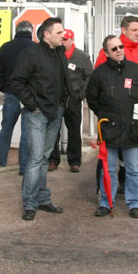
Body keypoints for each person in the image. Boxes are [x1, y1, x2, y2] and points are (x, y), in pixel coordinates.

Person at [9, 17, 71, 221]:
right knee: (35, 159)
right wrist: (32, 105)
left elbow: (63, 81)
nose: (64, 35)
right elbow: (17, 82)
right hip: (37, 114)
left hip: (55, 112)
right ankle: (30, 203)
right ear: (47, 34)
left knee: (44, 157)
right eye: (60, 32)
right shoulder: (31, 54)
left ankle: (43, 199)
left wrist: (64, 102)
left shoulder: (60, 53)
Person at [86, 35, 138, 218]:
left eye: (120, 46)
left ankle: (134, 203)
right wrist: (105, 115)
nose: (119, 50)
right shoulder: (100, 73)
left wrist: (137, 114)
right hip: (109, 128)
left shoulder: (135, 70)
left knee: (133, 169)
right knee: (108, 168)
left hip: (131, 128)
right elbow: (92, 98)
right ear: (106, 53)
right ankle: (106, 202)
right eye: (114, 48)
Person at [95, 16, 138, 191]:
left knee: (136, 153)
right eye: (134, 30)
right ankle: (103, 191)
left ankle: (135, 186)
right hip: (113, 115)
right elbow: (96, 84)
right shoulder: (108, 52)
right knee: (108, 154)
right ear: (123, 30)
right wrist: (103, 109)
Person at [0, 20, 36, 172]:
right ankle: (24, 166)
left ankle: (1, 159)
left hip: (11, 93)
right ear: (31, 31)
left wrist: (4, 88)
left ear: (16, 30)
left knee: (6, 127)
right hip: (29, 95)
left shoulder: (6, 47)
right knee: (26, 131)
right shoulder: (35, 48)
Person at [48, 28, 92, 172]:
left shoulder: (82, 57)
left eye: (66, 39)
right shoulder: (54, 54)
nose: (63, 42)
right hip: (56, 99)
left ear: (72, 40)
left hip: (73, 99)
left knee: (74, 130)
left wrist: (80, 95)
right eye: (62, 39)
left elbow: (89, 77)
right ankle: (53, 159)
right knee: (54, 130)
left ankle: (74, 161)